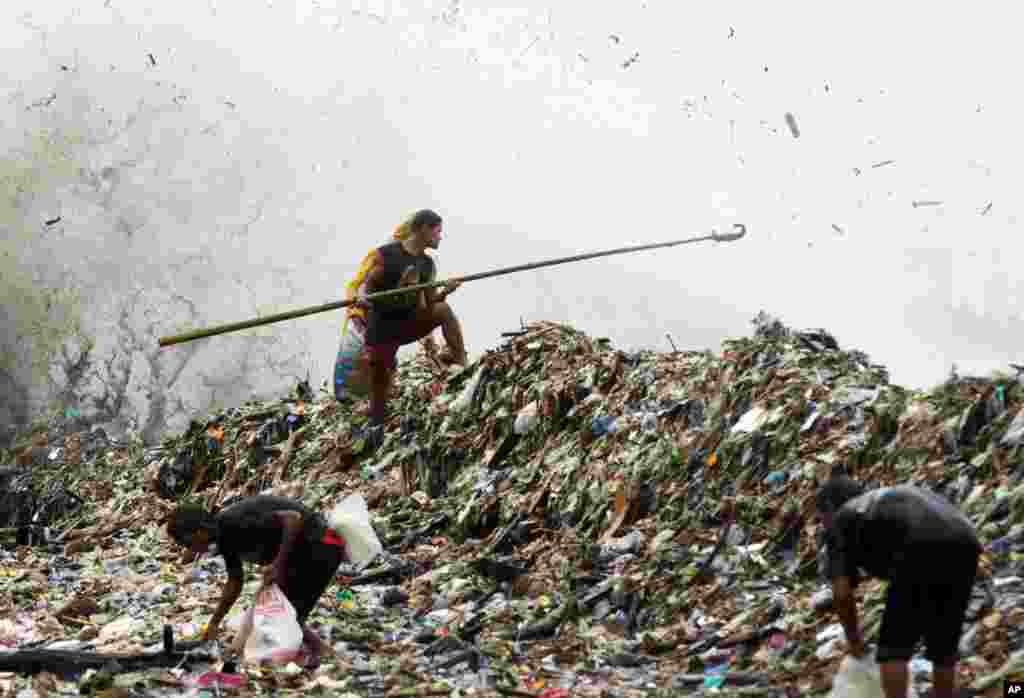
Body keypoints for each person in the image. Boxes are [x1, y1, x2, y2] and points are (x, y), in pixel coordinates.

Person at [815, 476, 982, 698]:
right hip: (967, 541)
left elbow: (842, 593)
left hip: (919, 544)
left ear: (830, 507)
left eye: (821, 517)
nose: (822, 524)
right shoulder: (886, 498)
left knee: (893, 650)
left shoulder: (842, 518)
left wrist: (855, 643)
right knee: (943, 647)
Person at [166, 495, 348, 670]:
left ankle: (326, 658)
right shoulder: (223, 537)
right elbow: (235, 582)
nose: (190, 550)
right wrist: (215, 622)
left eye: (188, 543)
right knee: (283, 612)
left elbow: (293, 519)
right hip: (301, 554)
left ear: (199, 532)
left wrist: (277, 564)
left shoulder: (235, 521)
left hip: (321, 546)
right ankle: (324, 655)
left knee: (286, 614)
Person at [334, 209, 466, 446]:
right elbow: (364, 286)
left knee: (443, 311)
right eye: (438, 231)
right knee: (380, 386)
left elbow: (430, 302)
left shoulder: (426, 264)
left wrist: (445, 290)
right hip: (382, 329)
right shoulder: (387, 255)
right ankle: (376, 428)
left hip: (408, 323)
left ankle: (461, 365)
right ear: (423, 228)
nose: (440, 237)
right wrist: (361, 298)